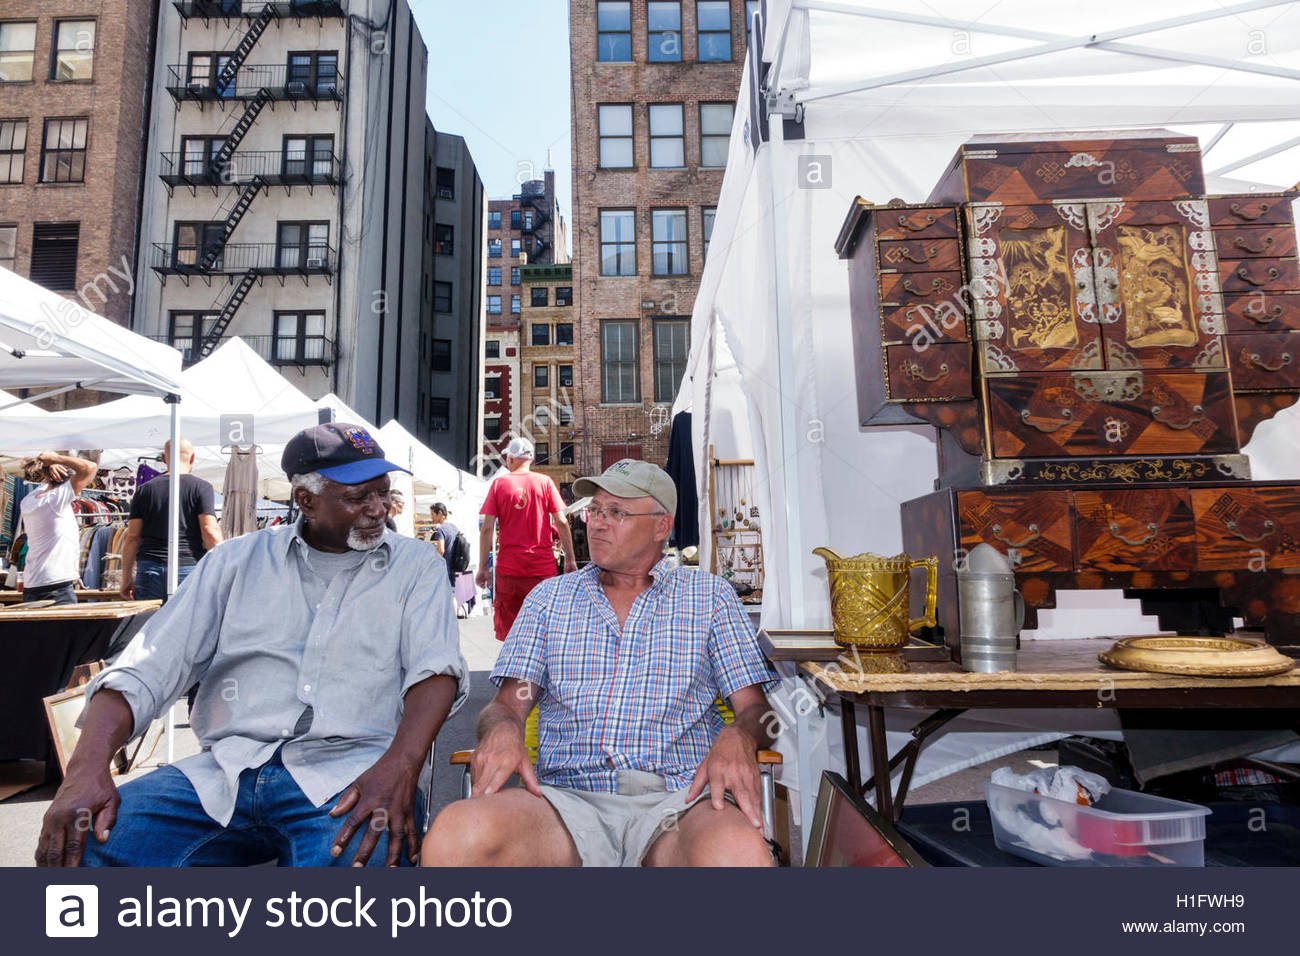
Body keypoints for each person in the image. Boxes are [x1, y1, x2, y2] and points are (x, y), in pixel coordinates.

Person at [36, 423, 468, 868]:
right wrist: (85, 770)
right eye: (360, 498)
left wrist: (401, 765)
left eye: (383, 492)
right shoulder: (233, 561)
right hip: (223, 773)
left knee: (357, 869)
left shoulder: (415, 566)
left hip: (352, 773)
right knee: (85, 842)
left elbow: (435, 671)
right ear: (306, 501)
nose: (379, 508)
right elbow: (147, 667)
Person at [422, 459, 777, 867]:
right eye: (595, 511)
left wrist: (741, 737)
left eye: (617, 512)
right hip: (564, 804)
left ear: (662, 526)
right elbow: (508, 704)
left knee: (738, 857)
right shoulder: (549, 599)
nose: (597, 524)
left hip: (681, 801)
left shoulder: (708, 597)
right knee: (455, 837)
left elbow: (756, 711)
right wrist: (503, 728)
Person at [477, 437, 576, 642]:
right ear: (530, 459)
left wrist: (483, 568)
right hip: (541, 568)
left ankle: (513, 671)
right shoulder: (545, 482)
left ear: (510, 459)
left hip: (509, 568)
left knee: (510, 632)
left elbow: (487, 529)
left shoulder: (499, 484)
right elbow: (562, 522)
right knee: (545, 628)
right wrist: (571, 559)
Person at [119, 438, 223, 601]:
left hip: (149, 567)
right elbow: (209, 531)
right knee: (185, 624)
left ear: (163, 458)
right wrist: (221, 567)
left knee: (148, 624)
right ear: (192, 458)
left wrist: (126, 577)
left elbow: (132, 537)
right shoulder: (201, 487)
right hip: (188, 566)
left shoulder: (144, 490)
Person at [18, 451, 98, 605]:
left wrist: (50, 464)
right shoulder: (56, 500)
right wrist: (56, 459)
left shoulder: (29, 501)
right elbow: (90, 467)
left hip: (32, 584)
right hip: (56, 587)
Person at [429, 502, 459, 583]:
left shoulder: (440, 529)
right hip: (454, 568)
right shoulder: (454, 527)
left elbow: (441, 550)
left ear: (439, 513)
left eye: (432, 514)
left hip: (445, 569)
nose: (431, 517)